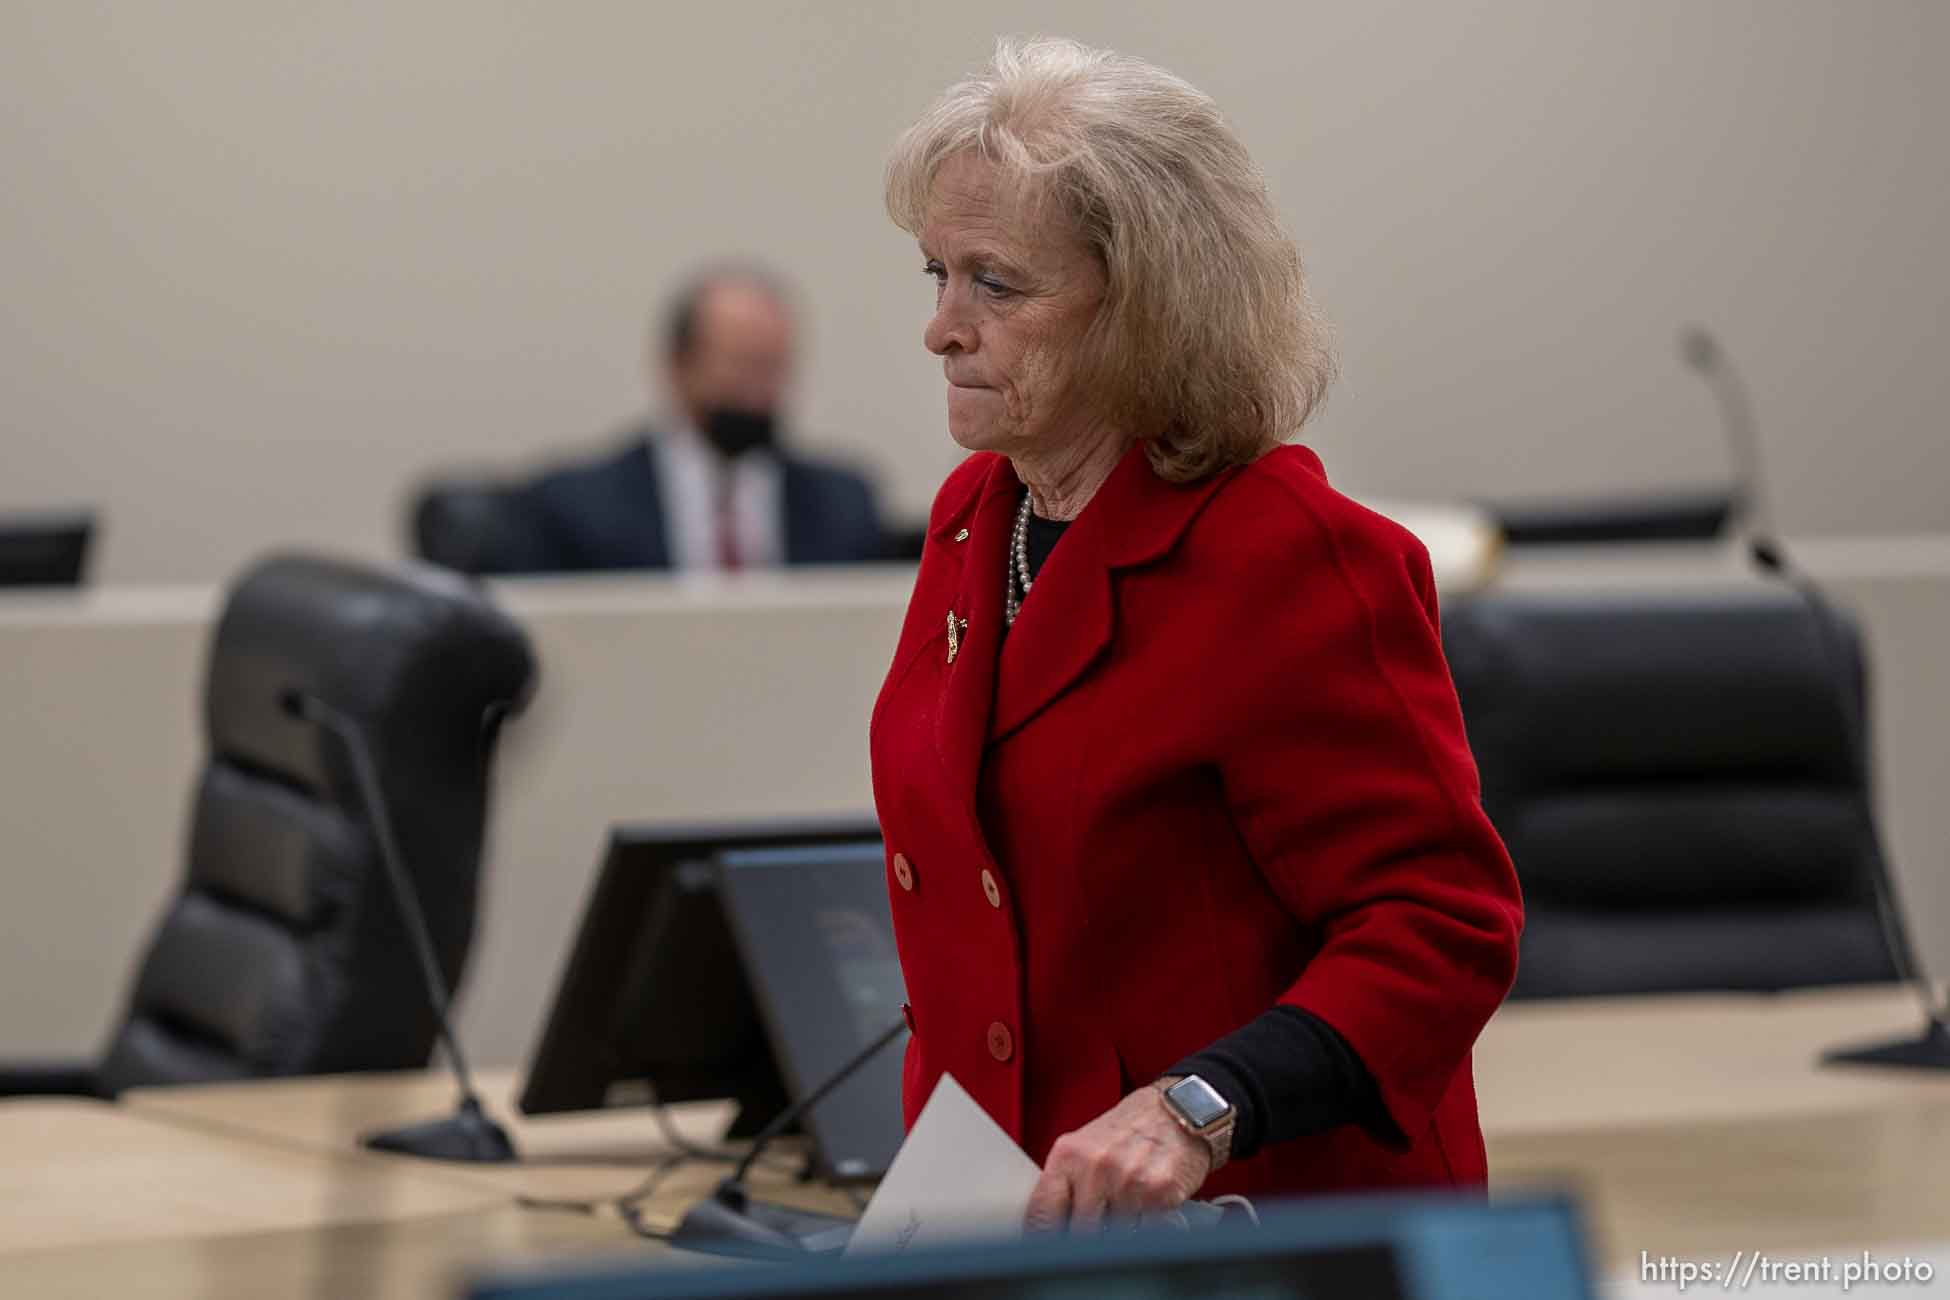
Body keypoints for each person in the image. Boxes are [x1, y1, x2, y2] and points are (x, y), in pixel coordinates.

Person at [869, 38, 1523, 1228]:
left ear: (1146, 305)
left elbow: (1441, 926)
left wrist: (1197, 1108)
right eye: (937, 275)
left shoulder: (1290, 552)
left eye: (996, 285)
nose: (943, 329)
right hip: (1010, 1215)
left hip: (1270, 1222)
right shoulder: (977, 518)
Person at [436, 268, 885, 574]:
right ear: (677, 364)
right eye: (741, 364)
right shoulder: (575, 508)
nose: (758, 391)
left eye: (773, 367)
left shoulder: (841, 504)